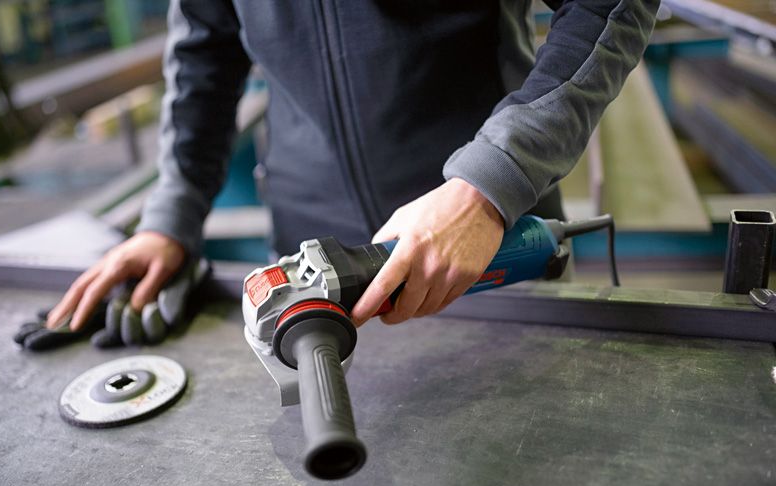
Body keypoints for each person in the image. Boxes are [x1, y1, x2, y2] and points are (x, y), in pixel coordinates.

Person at [47, 0, 659, 335]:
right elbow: (205, 51)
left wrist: (490, 179)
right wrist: (170, 218)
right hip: (309, 260)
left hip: (485, 243)